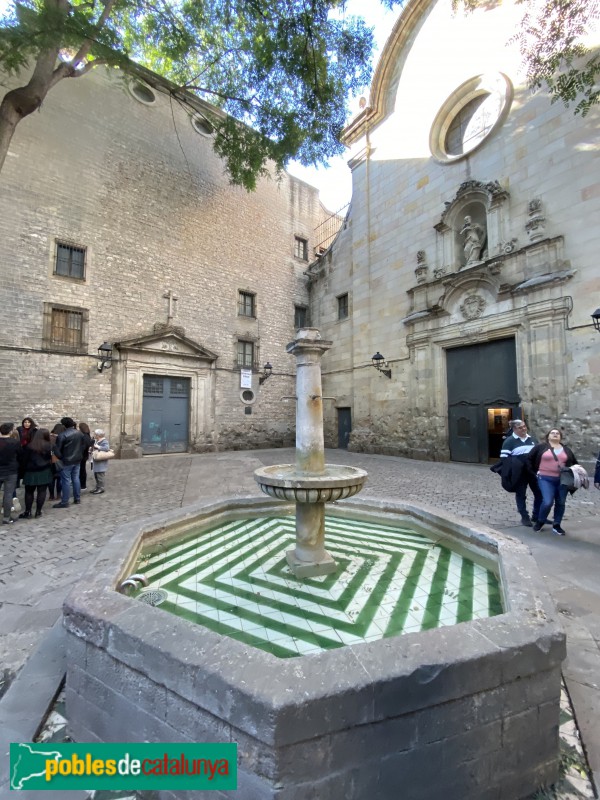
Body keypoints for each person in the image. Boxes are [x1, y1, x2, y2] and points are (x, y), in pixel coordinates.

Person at [527, 428, 578, 535]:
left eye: (557, 433)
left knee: (561, 502)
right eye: (552, 433)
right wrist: (534, 473)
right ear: (548, 436)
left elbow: (573, 463)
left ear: (560, 437)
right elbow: (529, 459)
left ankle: (557, 525)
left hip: (562, 480)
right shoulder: (541, 447)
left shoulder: (566, 449)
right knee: (547, 501)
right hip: (545, 478)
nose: (555, 434)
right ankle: (540, 521)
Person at [499, 419, 542, 527]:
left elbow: (537, 454)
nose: (523, 429)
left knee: (539, 493)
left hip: (532, 471)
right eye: (520, 427)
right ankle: (524, 516)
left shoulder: (532, 439)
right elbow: (504, 459)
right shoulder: (509, 441)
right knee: (521, 494)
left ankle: (536, 516)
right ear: (514, 429)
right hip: (519, 473)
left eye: (524, 426)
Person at [52, 417, 86, 508]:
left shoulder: (62, 435)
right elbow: (83, 446)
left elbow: (58, 451)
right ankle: (77, 498)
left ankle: (65, 501)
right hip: (77, 459)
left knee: (66, 481)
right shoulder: (80, 433)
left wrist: (55, 450)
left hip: (67, 461)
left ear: (64, 425)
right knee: (75, 478)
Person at [19, 428, 52, 519]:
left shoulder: (29, 446)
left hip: (31, 471)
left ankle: (28, 511)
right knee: (42, 491)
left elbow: (24, 460)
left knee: (29, 492)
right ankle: (38, 511)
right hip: (44, 470)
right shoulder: (49, 445)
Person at [0, 422, 22, 524]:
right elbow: (20, 455)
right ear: (10, 431)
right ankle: (6, 517)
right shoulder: (15, 442)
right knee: (8, 494)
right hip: (11, 470)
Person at [91, 429, 110, 494]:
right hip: (97, 461)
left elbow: (106, 448)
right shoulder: (97, 440)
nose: (94, 435)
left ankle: (101, 488)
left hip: (101, 461)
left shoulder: (104, 441)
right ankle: (97, 487)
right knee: (96, 475)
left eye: (95, 434)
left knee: (100, 476)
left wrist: (98, 447)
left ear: (98, 435)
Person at [49, 423, 65, 501]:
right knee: (59, 478)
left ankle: (51, 495)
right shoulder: (61, 437)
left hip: (50, 459)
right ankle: (58, 494)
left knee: (51, 478)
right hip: (59, 459)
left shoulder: (49, 437)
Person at [77, 422, 93, 491]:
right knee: (82, 470)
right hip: (84, 455)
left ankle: (82, 485)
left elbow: (84, 446)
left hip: (82, 455)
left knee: (82, 470)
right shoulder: (87, 435)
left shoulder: (84, 436)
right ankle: (82, 485)